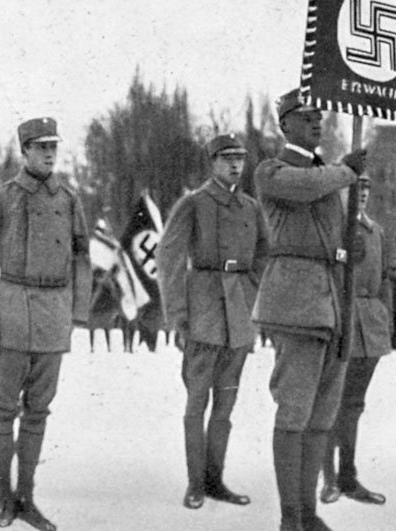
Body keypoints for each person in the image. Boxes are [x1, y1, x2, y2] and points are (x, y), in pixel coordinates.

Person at [0, 117, 92, 531]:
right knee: (4, 409)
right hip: (13, 310)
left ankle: (27, 498)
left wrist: (76, 313)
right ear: (24, 152)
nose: (49, 154)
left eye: (53, 146)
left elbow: (82, 258)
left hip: (54, 314)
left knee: (39, 411)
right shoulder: (1, 199)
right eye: (40, 147)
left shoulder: (68, 200)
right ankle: (4, 498)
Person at [252, 89, 364, 531]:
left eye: (320, 115)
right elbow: (304, 189)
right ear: (285, 125)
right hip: (296, 301)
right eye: (307, 116)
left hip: (331, 301)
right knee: (295, 412)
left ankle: (308, 513)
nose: (318, 122)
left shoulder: (327, 173)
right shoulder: (273, 170)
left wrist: (347, 246)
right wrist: (345, 171)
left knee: (321, 417)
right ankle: (289, 517)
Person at [156, 133, 270, 510]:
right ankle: (195, 483)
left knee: (226, 404)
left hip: (239, 314)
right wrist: (178, 315)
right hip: (203, 308)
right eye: (227, 159)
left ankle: (215, 479)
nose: (235, 165)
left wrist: (255, 299)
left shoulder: (252, 208)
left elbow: (264, 258)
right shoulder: (194, 204)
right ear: (213, 163)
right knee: (196, 402)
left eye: (240, 158)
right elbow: (169, 260)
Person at [320, 173, 390, 507]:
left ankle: (348, 476)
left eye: (366, 189)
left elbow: (385, 279)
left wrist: (385, 319)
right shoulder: (334, 229)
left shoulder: (376, 231)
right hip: (339, 319)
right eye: (354, 189)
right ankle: (329, 478)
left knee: (353, 406)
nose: (361, 194)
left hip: (370, 326)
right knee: (330, 404)